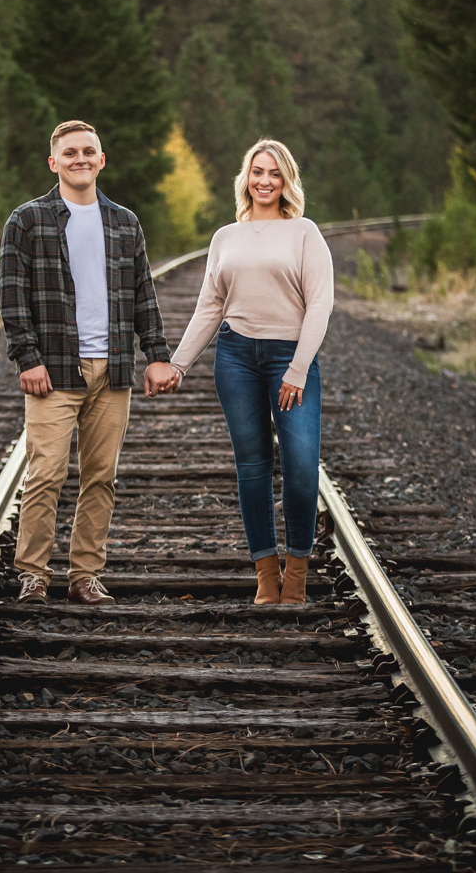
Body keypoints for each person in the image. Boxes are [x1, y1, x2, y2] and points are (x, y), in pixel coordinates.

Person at [0, 120, 178, 606]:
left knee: (101, 476)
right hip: (53, 369)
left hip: (114, 368)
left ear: (101, 160)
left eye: (89, 152)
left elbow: (144, 295)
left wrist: (157, 355)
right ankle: (34, 574)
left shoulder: (124, 222)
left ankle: (85, 575)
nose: (81, 159)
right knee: (46, 474)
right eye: (70, 153)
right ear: (54, 163)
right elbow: (11, 297)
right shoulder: (28, 220)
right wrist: (27, 358)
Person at [169, 138, 333, 605]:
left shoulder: (305, 232)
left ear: (287, 181)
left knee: (301, 468)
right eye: (257, 172)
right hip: (236, 357)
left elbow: (320, 304)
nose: (265, 181)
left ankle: (296, 573)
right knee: (253, 466)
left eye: (274, 173)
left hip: (290, 358)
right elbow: (210, 306)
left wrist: (298, 368)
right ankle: (266, 573)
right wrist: (180, 363)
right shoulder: (225, 237)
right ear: (246, 178)